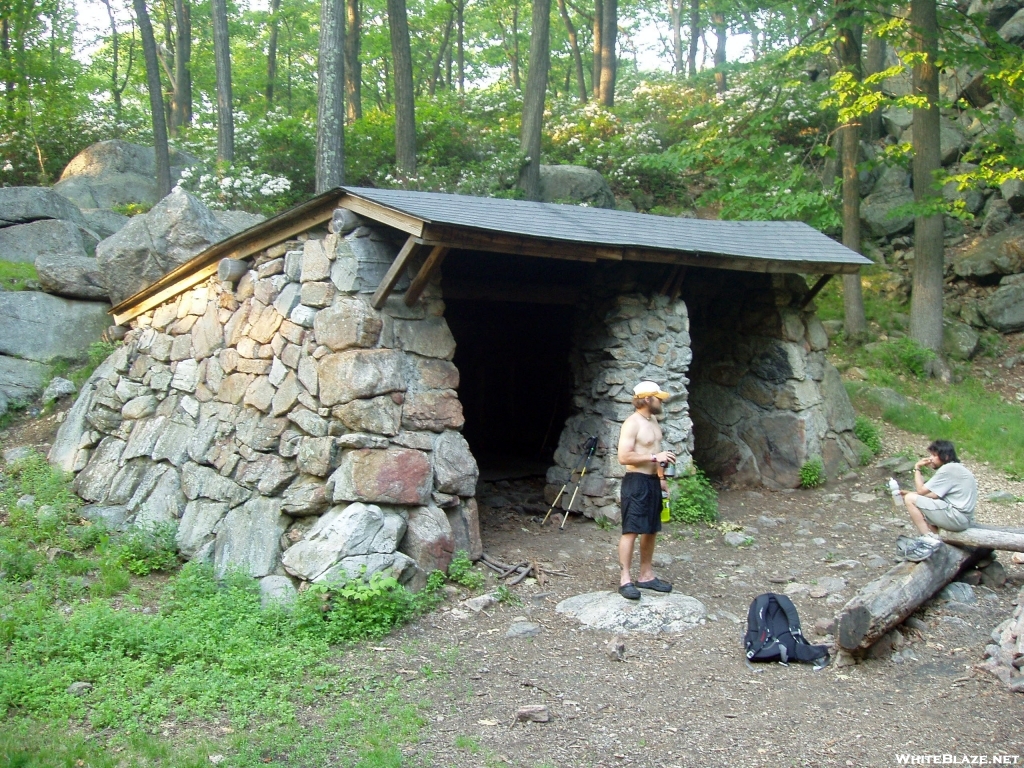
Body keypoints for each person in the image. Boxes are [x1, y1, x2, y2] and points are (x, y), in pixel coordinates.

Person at [615, 381, 676, 600]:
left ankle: (646, 575)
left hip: (652, 481)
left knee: (651, 529)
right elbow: (624, 457)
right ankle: (625, 580)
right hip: (636, 481)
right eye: (658, 397)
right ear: (647, 399)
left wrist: (661, 477)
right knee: (631, 529)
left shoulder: (653, 421)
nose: (661, 401)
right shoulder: (632, 423)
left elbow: (656, 451)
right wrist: (653, 457)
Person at [896, 440, 977, 561]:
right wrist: (911, 493)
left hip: (956, 517)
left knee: (910, 500)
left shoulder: (948, 469)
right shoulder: (956, 469)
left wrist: (917, 468)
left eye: (934, 455)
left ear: (946, 456)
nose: (930, 459)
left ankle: (929, 540)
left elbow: (921, 490)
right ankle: (939, 548)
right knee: (925, 511)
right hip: (962, 519)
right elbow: (933, 495)